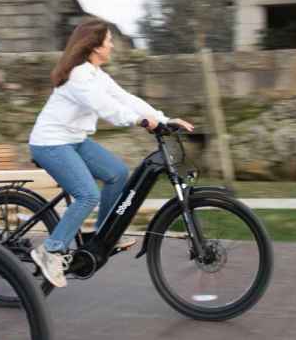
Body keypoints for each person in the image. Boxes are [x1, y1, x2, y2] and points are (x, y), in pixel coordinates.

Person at [27, 18, 193, 288]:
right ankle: (50, 251)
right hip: (51, 143)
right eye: (109, 41)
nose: (112, 45)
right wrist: (139, 121)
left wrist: (163, 119)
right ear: (94, 46)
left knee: (117, 173)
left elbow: (125, 98)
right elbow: (107, 107)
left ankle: (105, 235)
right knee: (87, 195)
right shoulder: (79, 75)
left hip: (74, 140)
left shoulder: (95, 74)